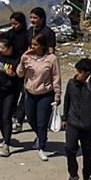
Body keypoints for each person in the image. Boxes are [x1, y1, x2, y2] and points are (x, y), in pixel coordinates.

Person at [60, 57, 91, 180]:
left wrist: (88, 83)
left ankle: (87, 177)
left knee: (88, 152)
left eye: (80, 72)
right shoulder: (72, 83)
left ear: (87, 73)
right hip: (73, 122)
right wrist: (64, 119)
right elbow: (67, 100)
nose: (77, 74)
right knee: (69, 149)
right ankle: (73, 174)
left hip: (89, 125)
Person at [19, 33, 61, 162]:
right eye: (32, 44)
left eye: (35, 44)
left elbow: (56, 77)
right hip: (30, 93)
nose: (33, 47)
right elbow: (19, 74)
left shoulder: (51, 59)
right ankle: (41, 136)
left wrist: (57, 95)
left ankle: (41, 147)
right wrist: (22, 62)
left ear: (42, 45)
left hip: (45, 94)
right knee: (31, 118)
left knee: (42, 122)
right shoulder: (27, 57)